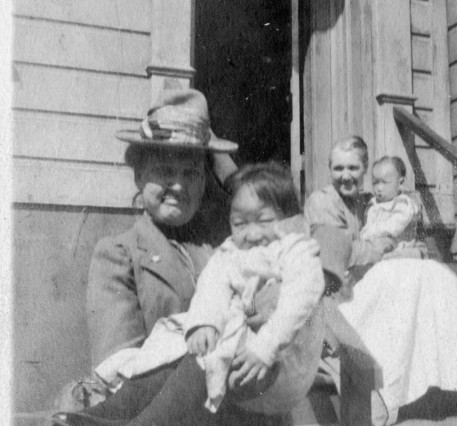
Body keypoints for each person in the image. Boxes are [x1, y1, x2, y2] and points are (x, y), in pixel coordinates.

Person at [51, 89, 287, 425]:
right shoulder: (119, 253)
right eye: (164, 171)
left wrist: (218, 157)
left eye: (191, 173)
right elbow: (120, 369)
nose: (178, 185)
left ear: (206, 180)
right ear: (139, 176)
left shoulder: (224, 246)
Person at [92, 163, 325, 417]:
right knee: (177, 350)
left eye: (265, 221)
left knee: (204, 353)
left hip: (278, 362)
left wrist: (266, 339)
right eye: (239, 223)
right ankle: (105, 415)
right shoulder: (228, 251)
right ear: (138, 177)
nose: (252, 233)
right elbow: (211, 286)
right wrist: (204, 323)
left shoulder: (295, 249)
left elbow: (304, 293)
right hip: (233, 371)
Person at [304, 136, 457, 426]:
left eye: (353, 168)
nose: (346, 176)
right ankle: (372, 386)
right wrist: (387, 251)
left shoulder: (369, 202)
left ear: (364, 169)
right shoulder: (322, 202)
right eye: (339, 168)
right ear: (329, 169)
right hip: (329, 291)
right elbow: (341, 253)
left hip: (357, 283)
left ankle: (398, 382)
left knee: (428, 280)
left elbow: (402, 229)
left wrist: (408, 249)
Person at [360, 155, 420, 249]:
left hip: (400, 250)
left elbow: (393, 228)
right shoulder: (373, 205)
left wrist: (372, 233)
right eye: (375, 183)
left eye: (384, 182)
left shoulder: (402, 205)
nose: (379, 188)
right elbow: (368, 227)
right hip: (378, 248)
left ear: (400, 183)